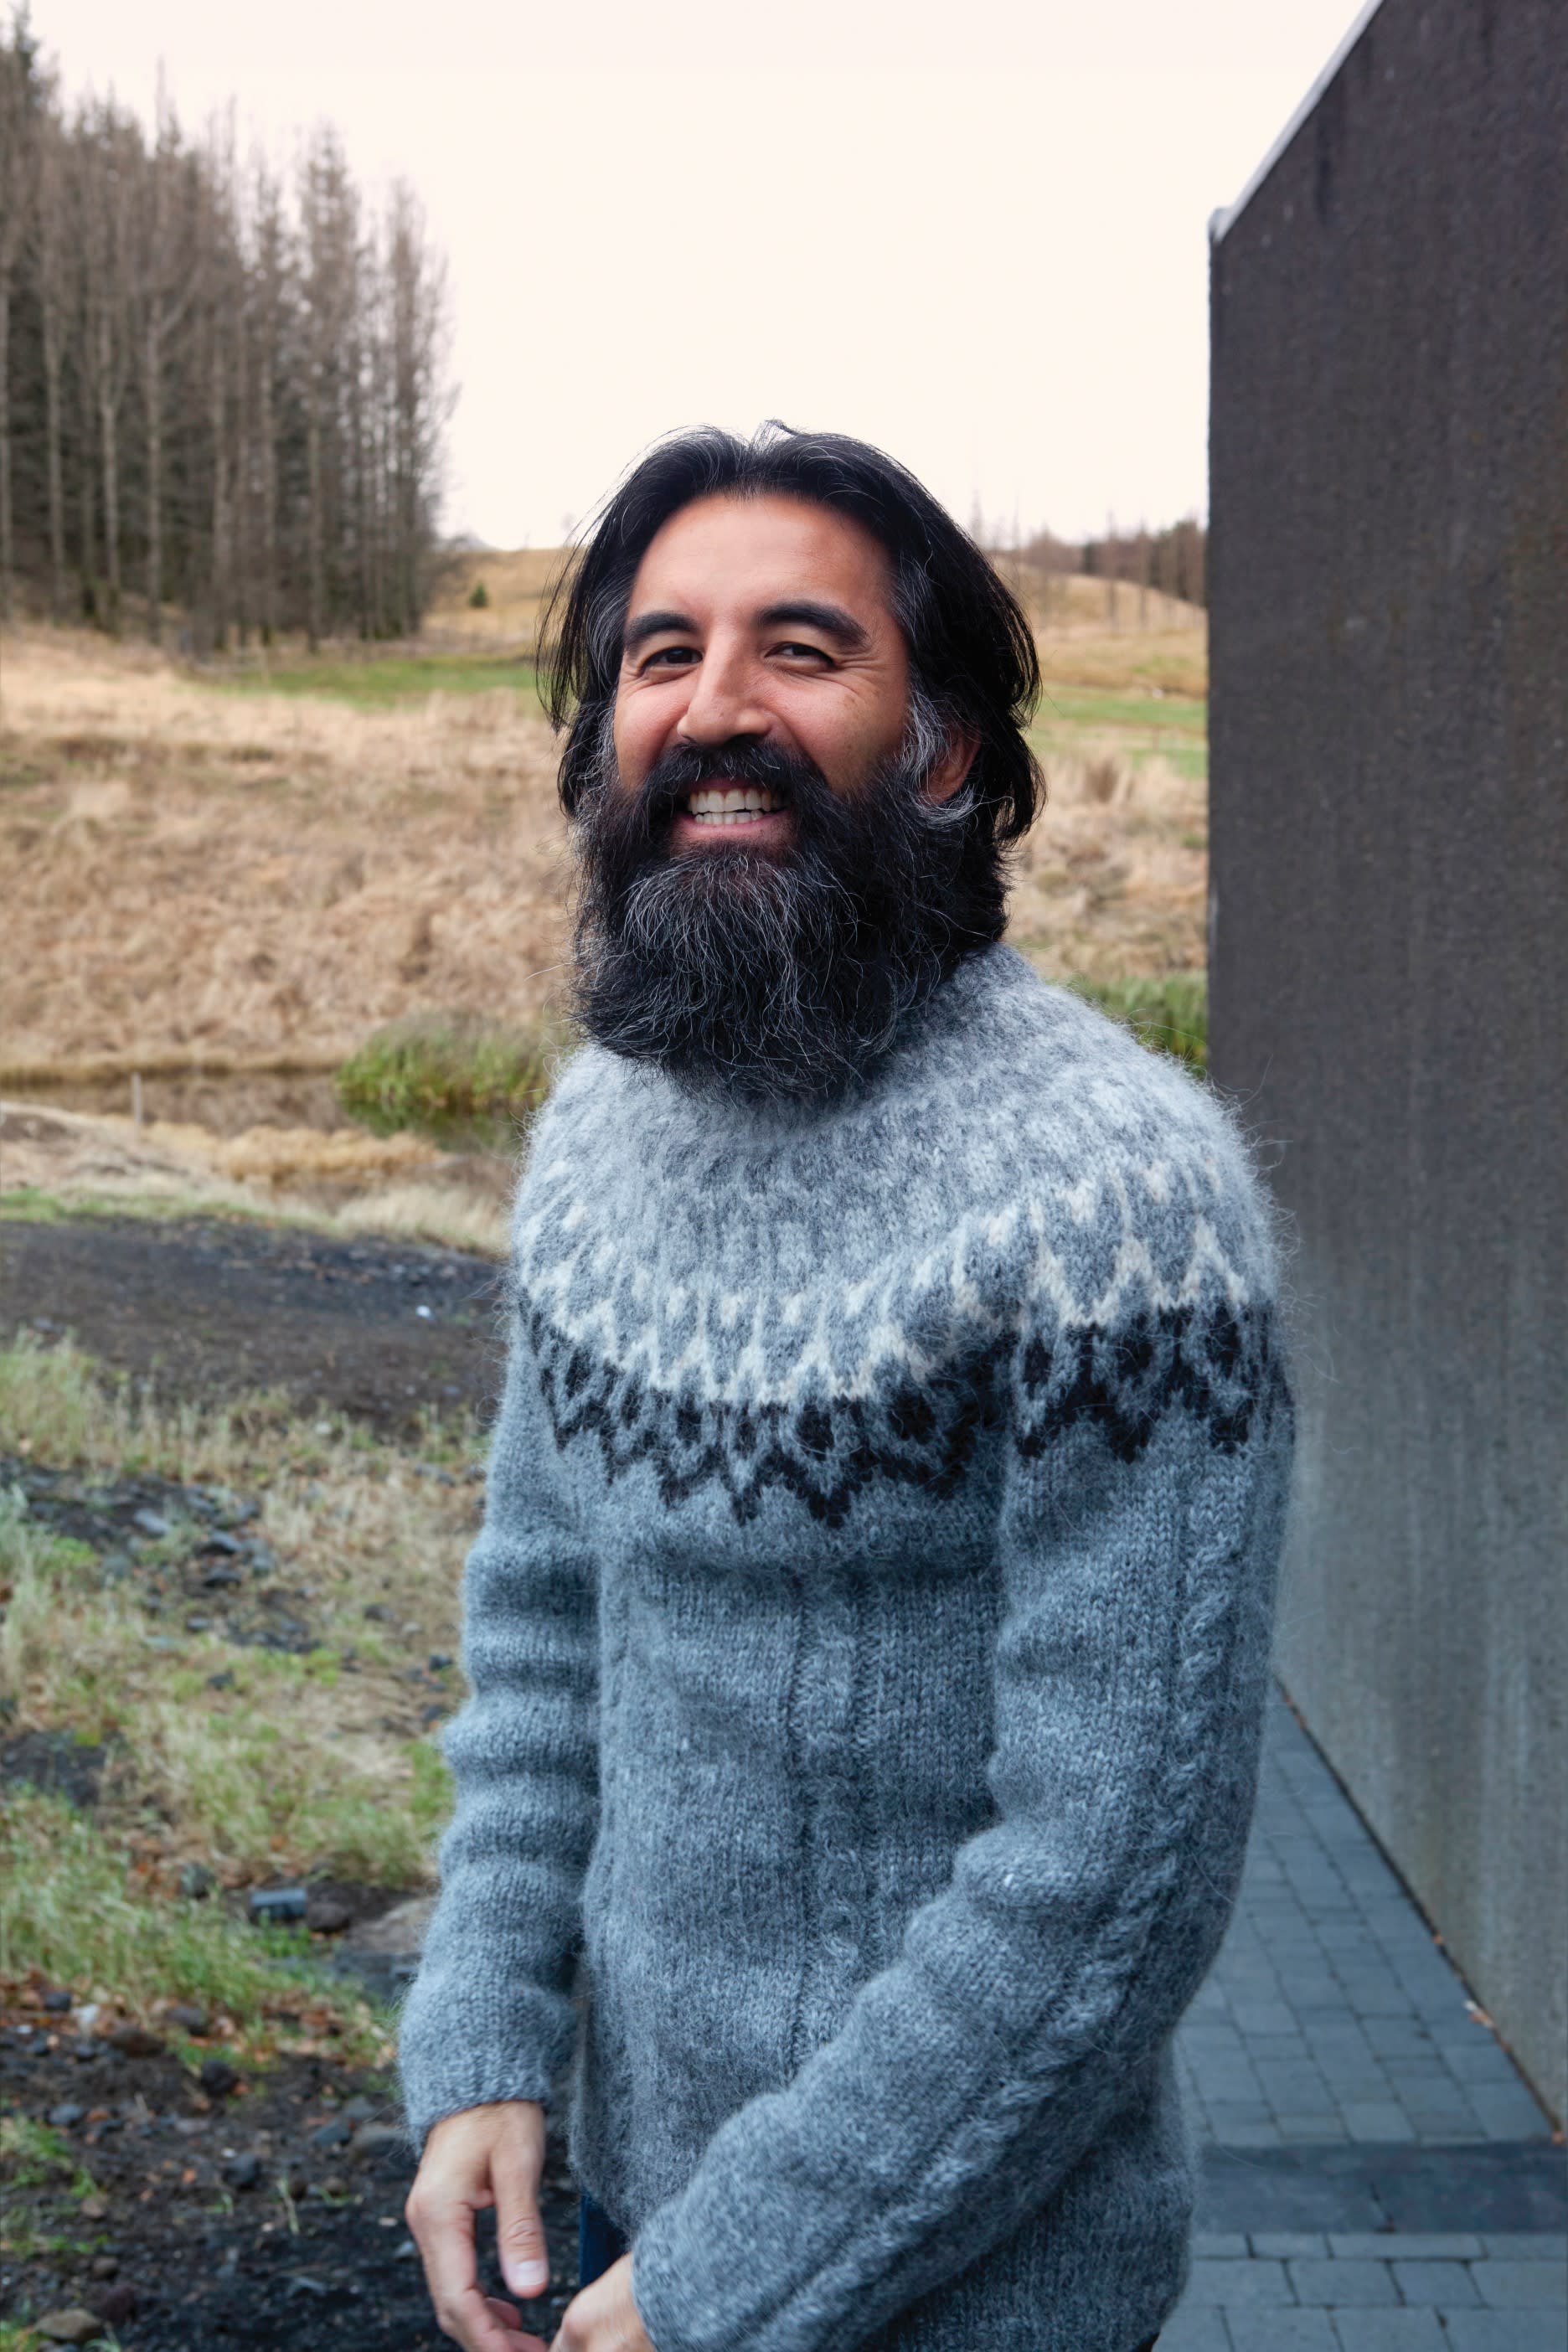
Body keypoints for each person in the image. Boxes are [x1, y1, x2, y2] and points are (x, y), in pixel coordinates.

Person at [399, 424, 1293, 2352]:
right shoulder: (592, 1141)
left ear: (944, 747)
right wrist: (481, 2042)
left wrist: (731, 2283)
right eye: (662, 655)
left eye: (802, 649)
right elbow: (544, 1643)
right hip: (629, 2221)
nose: (717, 705)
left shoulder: (1120, 1203)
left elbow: (1105, 1885)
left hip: (979, 2292)